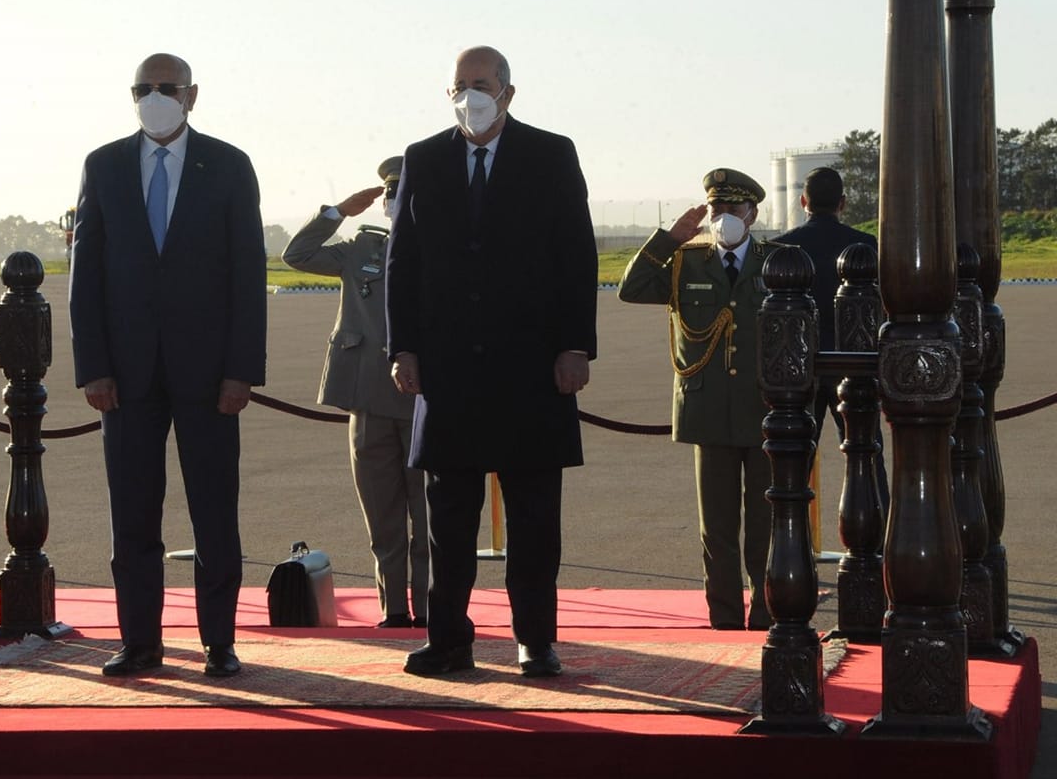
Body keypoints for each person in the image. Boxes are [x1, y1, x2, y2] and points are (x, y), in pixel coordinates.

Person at [385, 46, 598, 678]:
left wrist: (575, 345)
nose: (469, 96)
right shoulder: (424, 158)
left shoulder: (551, 154)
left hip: (532, 369)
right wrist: (404, 347)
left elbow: (576, 254)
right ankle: (448, 638)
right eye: (459, 85)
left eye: (480, 84)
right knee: (449, 522)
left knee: (534, 520)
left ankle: (535, 638)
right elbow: (402, 262)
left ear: (508, 91)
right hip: (448, 372)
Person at [69, 52, 266, 679]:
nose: (154, 98)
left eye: (166, 88)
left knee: (215, 513)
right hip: (125, 378)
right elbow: (85, 275)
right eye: (143, 89)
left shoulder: (229, 165)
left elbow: (248, 272)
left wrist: (242, 371)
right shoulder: (103, 165)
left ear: (191, 95)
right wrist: (92, 366)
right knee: (132, 515)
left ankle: (219, 642)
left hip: (209, 376)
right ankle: (140, 643)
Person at [617, 168, 773, 631]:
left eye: (733, 207)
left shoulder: (776, 262)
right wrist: (669, 240)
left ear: (752, 213)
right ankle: (724, 618)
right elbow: (631, 289)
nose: (723, 215)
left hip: (766, 411)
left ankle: (768, 614)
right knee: (717, 527)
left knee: (766, 524)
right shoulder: (687, 262)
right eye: (716, 207)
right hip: (708, 412)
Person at [282, 156, 427, 629]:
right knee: (382, 516)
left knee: (427, 518)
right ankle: (395, 609)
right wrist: (338, 212)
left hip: (425, 401)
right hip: (368, 398)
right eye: (390, 195)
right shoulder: (362, 248)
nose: (394, 202)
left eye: (403, 194)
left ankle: (429, 609)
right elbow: (297, 255)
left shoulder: (443, 246)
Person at [775, 166, 888, 509]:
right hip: (854, 366)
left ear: (803, 201)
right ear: (843, 203)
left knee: (793, 465)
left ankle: (787, 534)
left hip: (800, 366)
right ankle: (880, 529)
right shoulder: (866, 245)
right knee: (867, 457)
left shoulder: (782, 248)